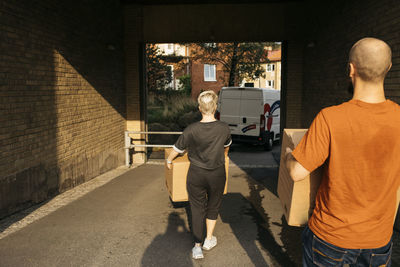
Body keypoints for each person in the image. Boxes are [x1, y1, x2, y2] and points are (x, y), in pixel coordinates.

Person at [285, 37, 400, 266]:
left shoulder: (330, 118)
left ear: (351, 69)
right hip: (379, 240)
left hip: (330, 238)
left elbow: (297, 173)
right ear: (388, 69)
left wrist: (289, 154)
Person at [166, 90, 232, 260]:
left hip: (196, 174)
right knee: (213, 205)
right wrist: (222, 157)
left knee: (196, 208)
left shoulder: (191, 129)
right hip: (217, 173)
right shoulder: (224, 128)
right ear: (215, 107)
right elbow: (226, 148)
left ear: (199, 108)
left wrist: (168, 161)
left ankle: (197, 247)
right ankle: (209, 240)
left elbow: (176, 150)